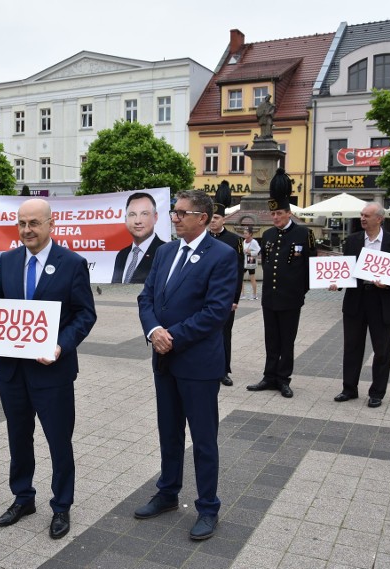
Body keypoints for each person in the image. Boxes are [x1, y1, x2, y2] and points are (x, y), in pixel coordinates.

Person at [0, 198, 97, 540]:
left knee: (58, 440)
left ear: (51, 225)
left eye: (34, 223)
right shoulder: (9, 259)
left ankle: (61, 506)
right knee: (18, 437)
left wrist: (60, 345)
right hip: (12, 371)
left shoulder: (72, 263)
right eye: (22, 223)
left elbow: (85, 314)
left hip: (53, 372)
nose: (27, 230)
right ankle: (23, 497)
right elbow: (0, 305)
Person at [135, 190, 237, 541]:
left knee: (204, 439)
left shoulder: (222, 255)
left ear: (203, 218)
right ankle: (167, 493)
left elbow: (215, 312)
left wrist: (171, 336)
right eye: (173, 212)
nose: (174, 218)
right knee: (169, 430)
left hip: (197, 363)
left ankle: (208, 507)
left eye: (181, 213)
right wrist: (153, 330)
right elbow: (146, 296)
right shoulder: (164, 251)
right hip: (164, 360)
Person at [331, 202, 390, 408]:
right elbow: (345, 269)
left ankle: (377, 392)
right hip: (356, 301)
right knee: (352, 347)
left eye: (367, 215)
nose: (363, 218)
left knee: (382, 350)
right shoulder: (352, 240)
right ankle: (349, 388)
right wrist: (335, 283)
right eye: (361, 215)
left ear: (379, 219)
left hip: (381, 300)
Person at [247, 169, 315, 398]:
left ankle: (283, 378)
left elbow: (310, 265)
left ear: (288, 213)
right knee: (271, 339)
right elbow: (266, 263)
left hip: (291, 298)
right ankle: (269, 376)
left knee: (287, 341)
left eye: (279, 214)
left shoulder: (303, 234)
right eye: (272, 214)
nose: (275, 217)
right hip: (271, 298)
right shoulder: (267, 235)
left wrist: (301, 292)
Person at [209, 191, 244, 387]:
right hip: (205, 296)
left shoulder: (234, 240)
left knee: (224, 333)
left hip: (225, 297)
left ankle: (223, 370)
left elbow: (238, 272)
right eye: (211, 218)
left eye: (216, 218)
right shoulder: (202, 239)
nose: (213, 222)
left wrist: (235, 298)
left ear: (224, 219)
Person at [111, 192, 165, 284]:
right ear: (125, 219)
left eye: (144, 214)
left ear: (155, 217)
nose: (138, 221)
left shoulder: (166, 253)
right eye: (132, 214)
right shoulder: (121, 255)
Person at [242, 228, 261, 300]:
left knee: (252, 278)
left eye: (246, 233)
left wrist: (250, 252)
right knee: (240, 278)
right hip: (244, 262)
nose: (244, 234)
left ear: (250, 234)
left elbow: (258, 250)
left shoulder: (254, 242)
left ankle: (254, 295)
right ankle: (242, 294)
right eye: (244, 233)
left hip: (250, 262)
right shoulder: (244, 241)